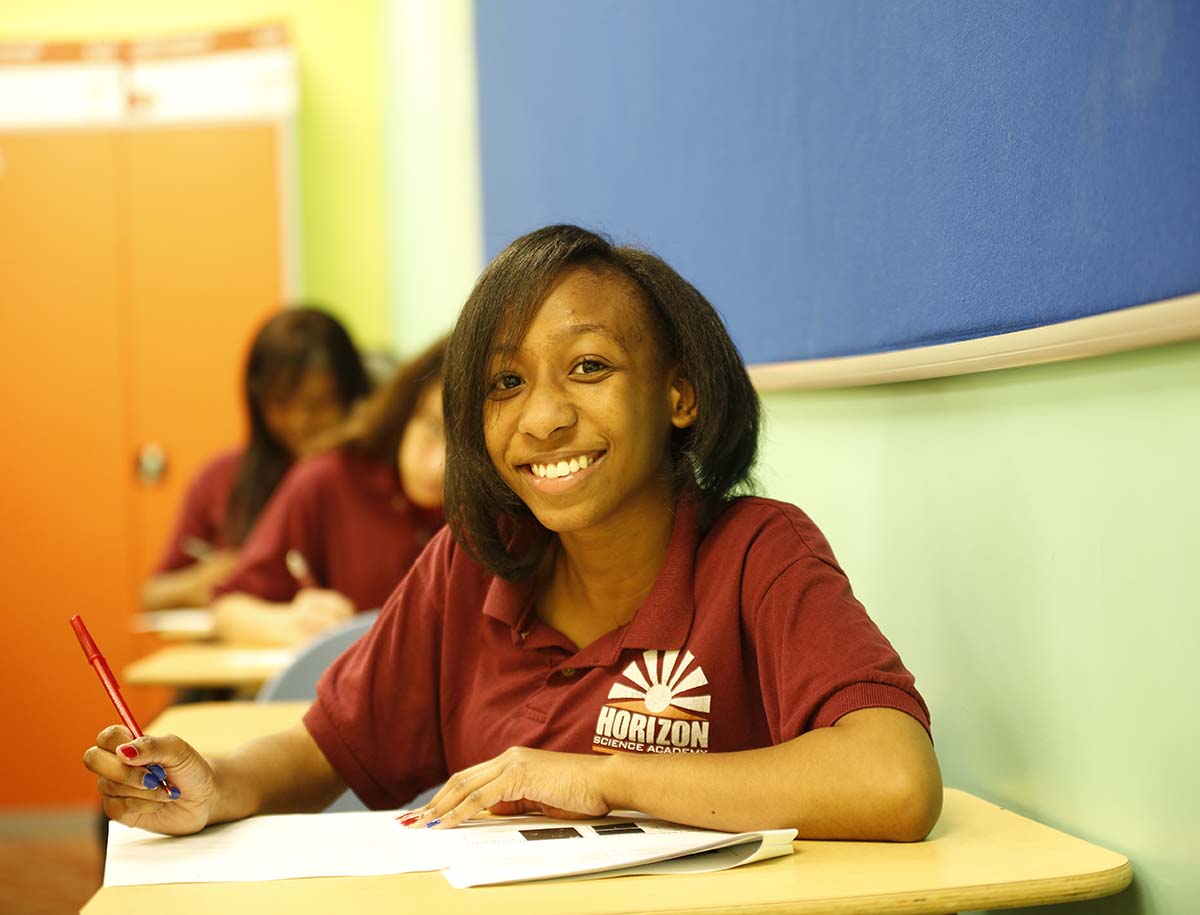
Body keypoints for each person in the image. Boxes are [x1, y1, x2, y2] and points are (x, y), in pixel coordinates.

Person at [85, 225, 942, 841]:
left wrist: (602, 778)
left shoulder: (758, 552)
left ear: (680, 395)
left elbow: (895, 777)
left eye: (589, 367)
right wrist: (214, 787)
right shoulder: (468, 564)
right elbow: (322, 751)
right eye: (504, 382)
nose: (542, 418)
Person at [207, 339, 447, 646]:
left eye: (467, 445)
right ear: (404, 411)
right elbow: (228, 608)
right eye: (433, 427)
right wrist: (290, 624)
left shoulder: (505, 503)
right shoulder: (329, 477)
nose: (438, 465)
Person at [141, 307, 371, 612]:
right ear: (257, 400)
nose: (300, 422)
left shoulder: (369, 481)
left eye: (318, 404)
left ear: (351, 398)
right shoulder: (220, 477)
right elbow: (152, 594)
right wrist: (203, 582)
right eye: (281, 403)